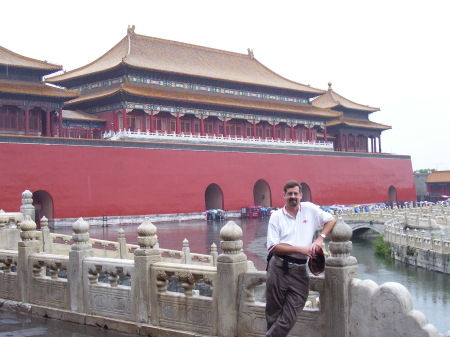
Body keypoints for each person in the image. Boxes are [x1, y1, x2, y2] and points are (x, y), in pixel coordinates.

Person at [265, 180, 336, 337]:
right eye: (289, 194)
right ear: (284, 196)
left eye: (296, 193)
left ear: (301, 195)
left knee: (291, 314)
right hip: (278, 268)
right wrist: (301, 249)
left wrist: (320, 239)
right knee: (273, 313)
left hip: (300, 271)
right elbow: (272, 247)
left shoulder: (309, 210)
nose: (293, 196)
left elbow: (331, 220)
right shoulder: (276, 217)